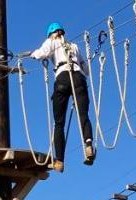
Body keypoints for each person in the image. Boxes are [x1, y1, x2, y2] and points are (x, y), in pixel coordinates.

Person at [26, 22, 95, 173]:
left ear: (51, 33)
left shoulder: (52, 41)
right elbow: (86, 69)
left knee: (59, 123)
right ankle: (88, 144)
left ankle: (60, 161)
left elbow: (42, 53)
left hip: (63, 77)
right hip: (79, 78)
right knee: (83, 115)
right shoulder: (74, 46)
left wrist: (32, 54)